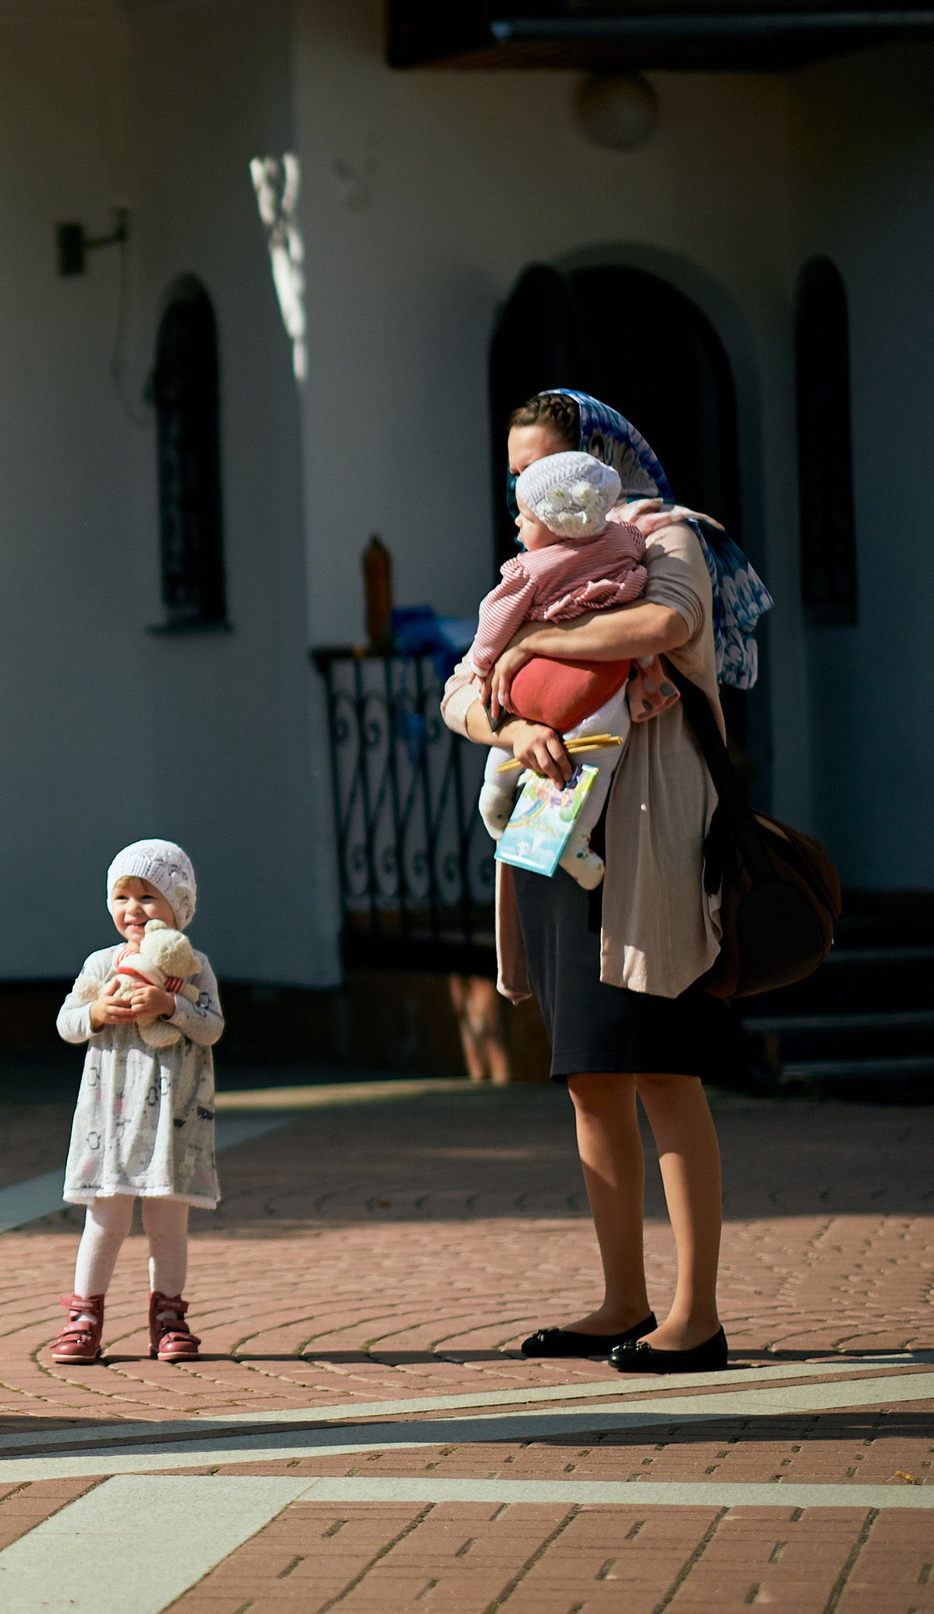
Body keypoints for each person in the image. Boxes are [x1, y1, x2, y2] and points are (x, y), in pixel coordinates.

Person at [440, 389, 754, 1376]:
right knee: (589, 1077)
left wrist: (534, 645)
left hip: (650, 835)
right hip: (551, 832)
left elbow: (664, 622)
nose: (517, 494)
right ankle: (622, 1298)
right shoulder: (533, 566)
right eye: (510, 477)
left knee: (663, 1065)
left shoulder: (665, 537)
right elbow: (459, 689)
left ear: (592, 471)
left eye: (534, 472)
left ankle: (693, 1315)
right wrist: (512, 723)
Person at [46, 840, 226, 1365]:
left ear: (179, 905)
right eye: (122, 896)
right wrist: (97, 1012)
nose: (133, 909)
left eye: (148, 897)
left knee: (168, 1223)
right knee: (105, 1219)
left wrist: (171, 1005)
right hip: (111, 1120)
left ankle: (168, 1318)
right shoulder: (102, 964)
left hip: (173, 1120)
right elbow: (67, 1022)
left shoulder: (193, 966)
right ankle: (84, 1317)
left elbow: (212, 1027)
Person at [467, 450, 651, 888]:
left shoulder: (530, 569)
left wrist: (480, 662)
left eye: (526, 516)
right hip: (595, 685)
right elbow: (640, 547)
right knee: (600, 757)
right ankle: (577, 838)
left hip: (532, 681)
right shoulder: (624, 539)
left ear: (555, 523)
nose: (516, 522)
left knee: (510, 725)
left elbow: (494, 618)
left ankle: (494, 798)